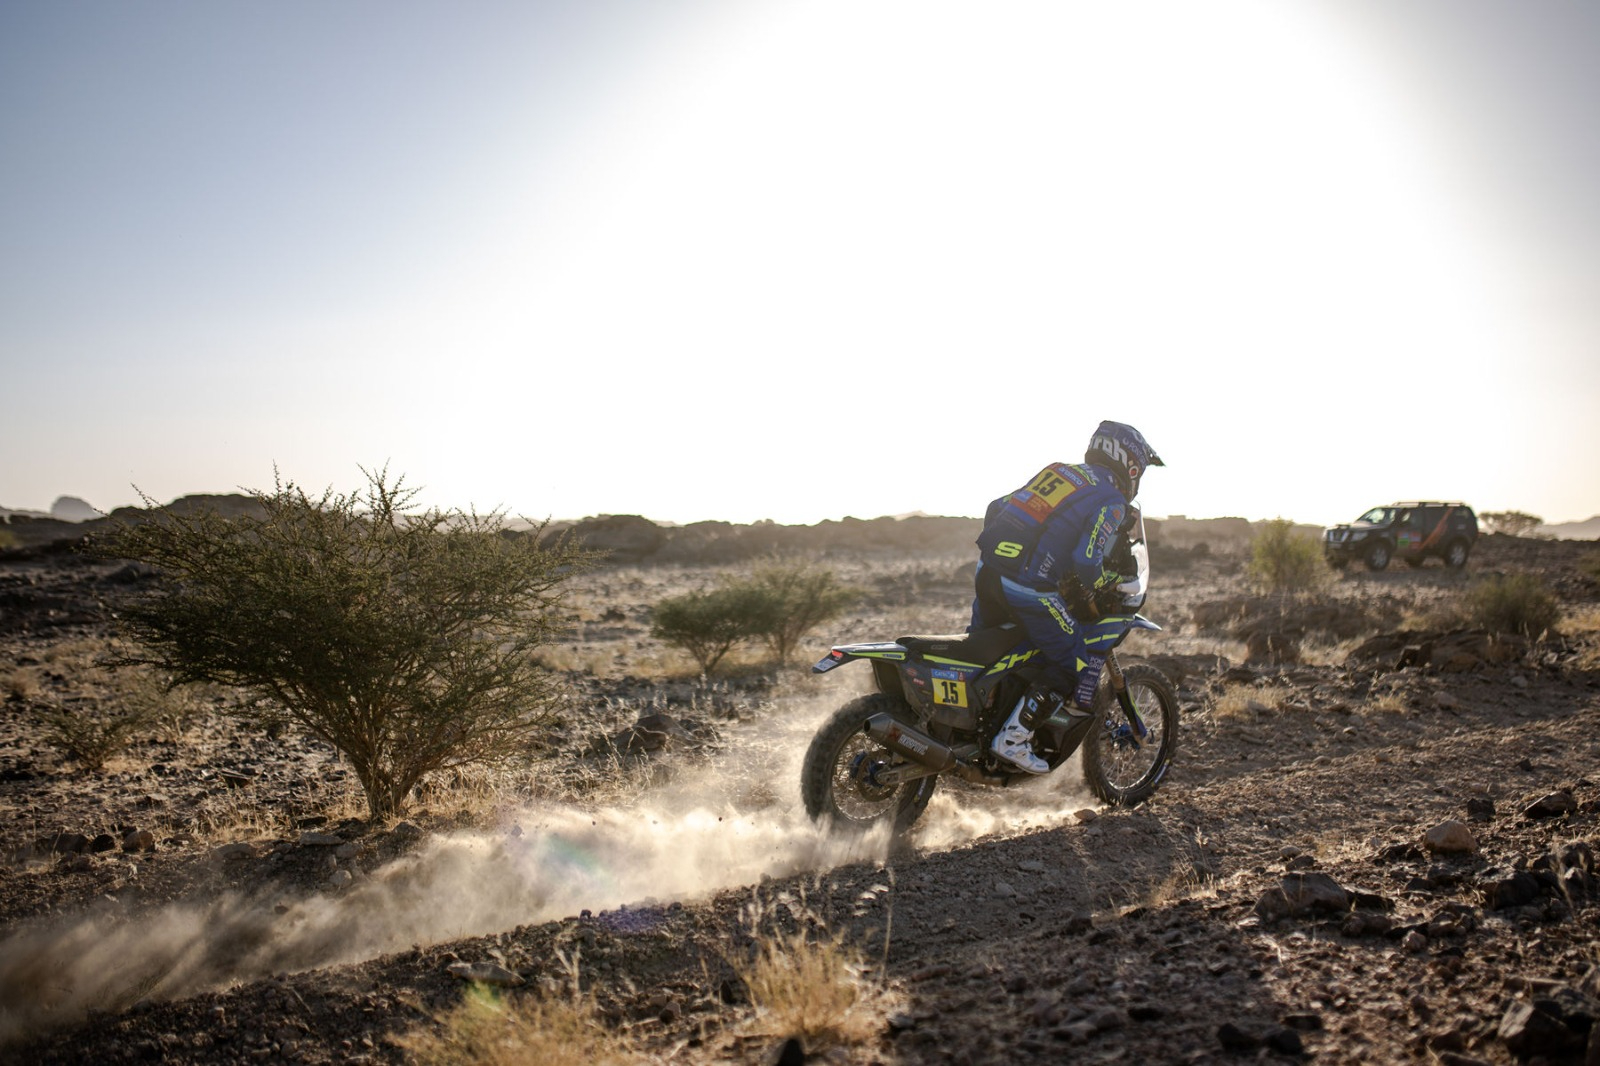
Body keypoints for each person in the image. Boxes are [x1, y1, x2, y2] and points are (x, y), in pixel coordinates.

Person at [968, 421, 1164, 773]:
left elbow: (996, 507)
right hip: (1029, 587)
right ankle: (1012, 738)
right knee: (1070, 663)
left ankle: (971, 731)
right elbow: (1087, 560)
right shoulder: (1112, 498)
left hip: (989, 572)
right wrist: (1105, 584)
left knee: (986, 657)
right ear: (1131, 465)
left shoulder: (1061, 473)